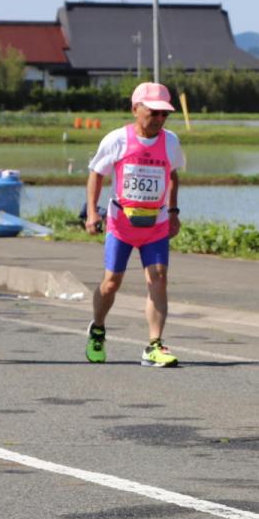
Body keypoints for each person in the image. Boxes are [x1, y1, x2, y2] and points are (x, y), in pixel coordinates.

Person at [85, 82, 184, 367]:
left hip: (156, 223)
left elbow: (173, 174)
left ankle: (154, 345)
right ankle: (98, 328)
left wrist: (174, 211)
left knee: (159, 278)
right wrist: (93, 212)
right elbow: (96, 173)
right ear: (135, 109)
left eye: (164, 114)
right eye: (153, 112)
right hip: (121, 224)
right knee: (111, 284)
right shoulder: (117, 140)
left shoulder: (171, 141)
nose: (159, 119)